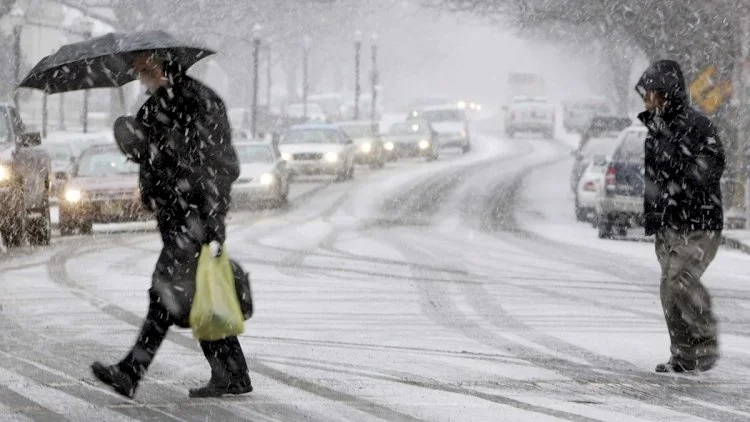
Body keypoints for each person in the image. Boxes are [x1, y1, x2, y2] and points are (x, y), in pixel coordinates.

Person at [91, 52, 252, 398]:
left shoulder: (200, 102)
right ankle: (233, 374)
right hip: (176, 217)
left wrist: (210, 221)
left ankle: (130, 372)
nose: (137, 73)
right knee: (198, 295)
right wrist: (130, 138)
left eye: (142, 66)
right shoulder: (155, 106)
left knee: (163, 295)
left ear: (161, 64)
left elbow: (224, 167)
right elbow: (146, 153)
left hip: (193, 218)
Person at [635, 59, 725, 373]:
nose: (647, 99)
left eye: (652, 93)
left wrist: (685, 182)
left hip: (699, 222)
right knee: (669, 291)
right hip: (669, 225)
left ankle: (705, 342)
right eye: (645, 93)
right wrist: (654, 217)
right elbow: (652, 180)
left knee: (681, 281)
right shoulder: (655, 131)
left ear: (667, 93)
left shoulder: (698, 126)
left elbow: (713, 165)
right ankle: (684, 354)